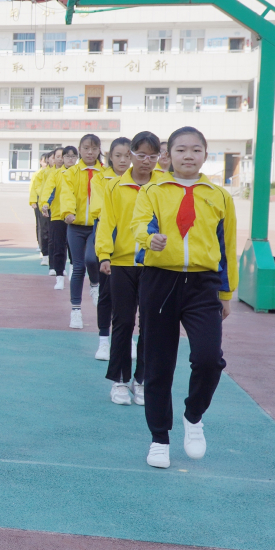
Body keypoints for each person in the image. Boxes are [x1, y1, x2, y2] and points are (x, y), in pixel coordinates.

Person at [131, 126, 237, 470]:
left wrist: (226, 292)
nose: (188, 156)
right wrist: (151, 241)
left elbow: (227, 247)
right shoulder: (152, 190)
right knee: (159, 364)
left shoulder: (218, 196)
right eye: (180, 150)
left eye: (195, 150)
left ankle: (194, 416)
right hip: (160, 281)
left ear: (205, 155)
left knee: (209, 358)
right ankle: (159, 438)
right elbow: (139, 226)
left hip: (202, 285)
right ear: (168, 156)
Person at [96, 132, 159, 406]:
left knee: (151, 323)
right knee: (122, 321)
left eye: (153, 156)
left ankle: (142, 379)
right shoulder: (115, 187)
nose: (146, 161)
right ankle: (119, 381)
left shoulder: (163, 186)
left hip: (155, 264)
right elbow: (106, 222)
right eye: (141, 155)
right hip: (121, 263)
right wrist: (104, 255)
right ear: (131, 154)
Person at [58, 134, 105, 329]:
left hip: (98, 225)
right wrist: (68, 212)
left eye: (94, 148)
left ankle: (95, 284)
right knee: (77, 267)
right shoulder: (71, 173)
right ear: (80, 149)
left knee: (92, 259)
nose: (90, 152)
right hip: (75, 226)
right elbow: (66, 194)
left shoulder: (105, 173)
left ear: (99, 151)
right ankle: (75, 310)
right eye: (86, 148)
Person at [90, 137, 131, 359]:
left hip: (135, 248)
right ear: (110, 157)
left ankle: (128, 339)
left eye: (127, 155)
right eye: (118, 155)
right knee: (107, 293)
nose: (123, 160)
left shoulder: (144, 180)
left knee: (134, 298)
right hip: (110, 238)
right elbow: (99, 209)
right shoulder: (100, 180)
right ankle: (103, 340)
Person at [40, 146, 78, 288]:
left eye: (73, 156)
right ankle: (59, 276)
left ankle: (74, 269)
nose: (69, 159)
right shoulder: (56, 174)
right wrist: (45, 204)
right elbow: (48, 190)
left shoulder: (79, 173)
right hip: (57, 215)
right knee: (58, 247)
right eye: (66, 156)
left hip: (75, 216)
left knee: (74, 246)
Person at [29, 152, 53, 265]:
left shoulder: (63, 173)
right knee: (43, 228)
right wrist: (33, 201)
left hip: (57, 207)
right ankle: (44, 251)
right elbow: (34, 188)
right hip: (42, 204)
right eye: (53, 158)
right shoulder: (41, 173)